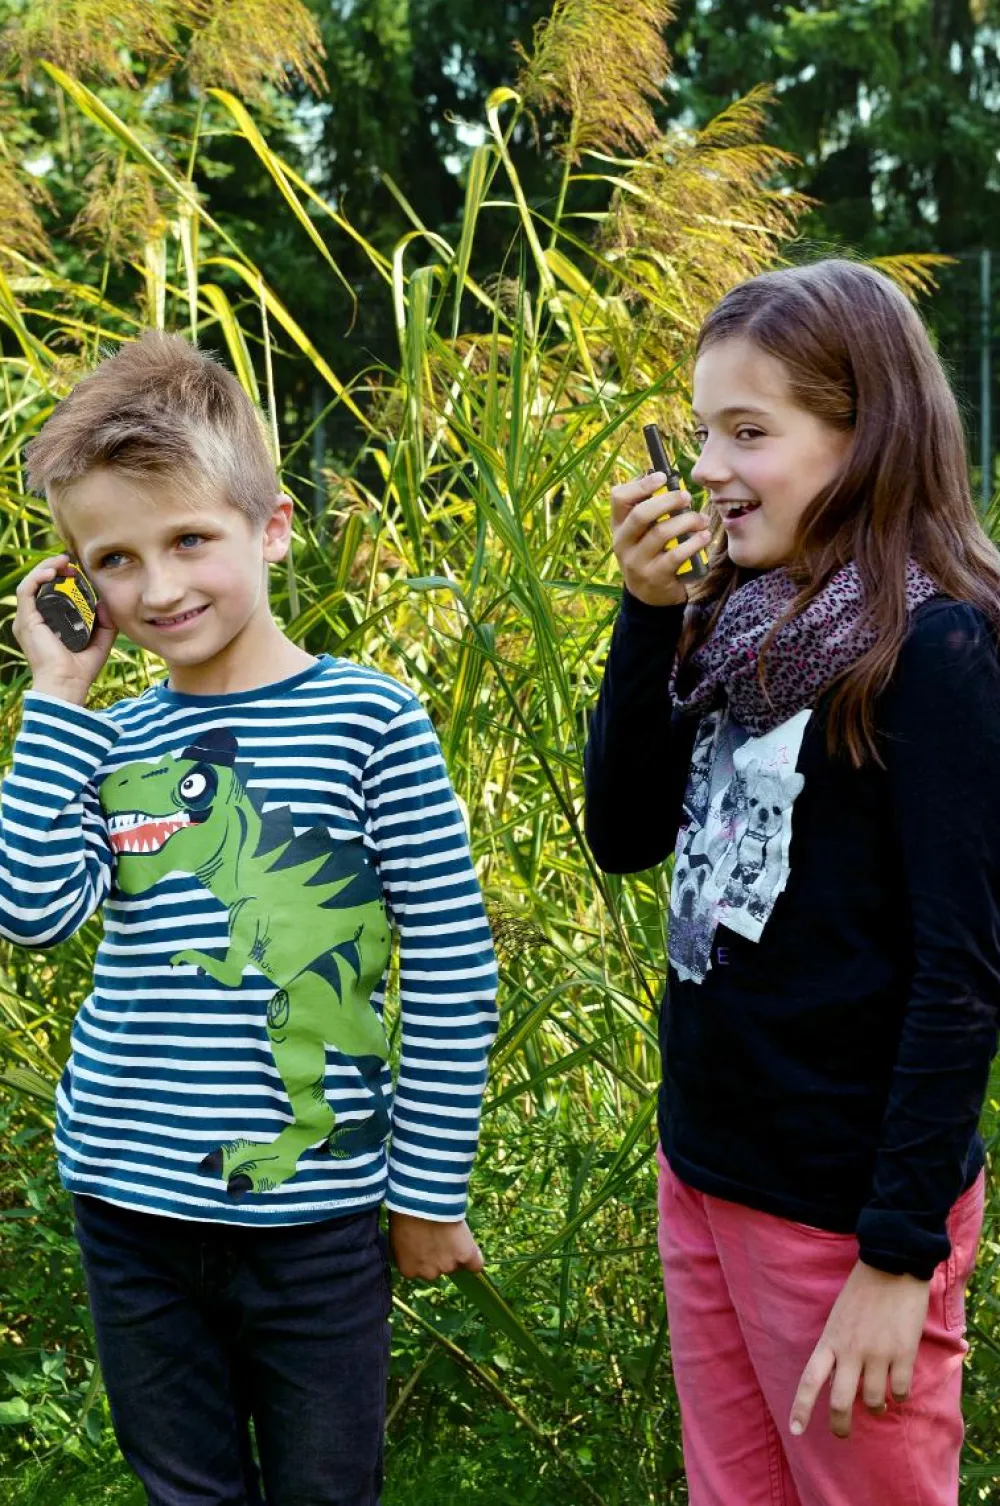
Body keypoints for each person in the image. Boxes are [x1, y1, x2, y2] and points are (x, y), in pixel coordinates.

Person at [2, 331, 499, 1506]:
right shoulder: (111, 744)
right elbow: (31, 913)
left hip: (316, 1219)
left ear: (271, 528)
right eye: (114, 561)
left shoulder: (372, 720)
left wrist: (427, 1194)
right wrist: (58, 700)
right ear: (80, 586)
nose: (159, 589)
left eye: (189, 540)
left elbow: (450, 962)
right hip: (129, 1201)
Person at [583, 258, 1000, 1506]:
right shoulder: (741, 617)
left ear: (865, 433)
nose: (706, 465)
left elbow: (965, 974)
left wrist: (895, 1257)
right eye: (701, 429)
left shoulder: (941, 649)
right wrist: (647, 613)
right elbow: (623, 832)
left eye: (748, 433)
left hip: (845, 1214)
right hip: (705, 1169)